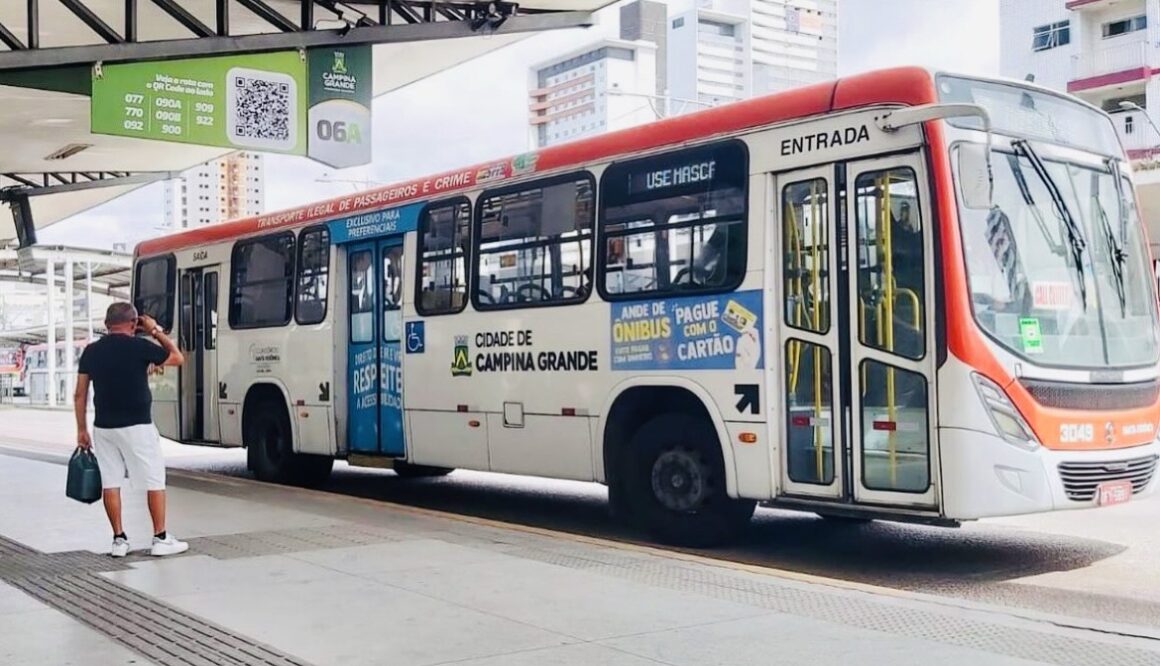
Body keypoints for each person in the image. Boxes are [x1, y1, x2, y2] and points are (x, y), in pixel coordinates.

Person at [74, 302, 188, 558]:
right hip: (138, 425)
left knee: (111, 482)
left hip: (104, 427)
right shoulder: (140, 346)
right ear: (134, 324)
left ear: (106, 324)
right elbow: (178, 357)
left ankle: (119, 540)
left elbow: (79, 394)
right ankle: (160, 538)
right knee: (154, 479)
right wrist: (156, 330)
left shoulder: (92, 352)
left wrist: (81, 429)